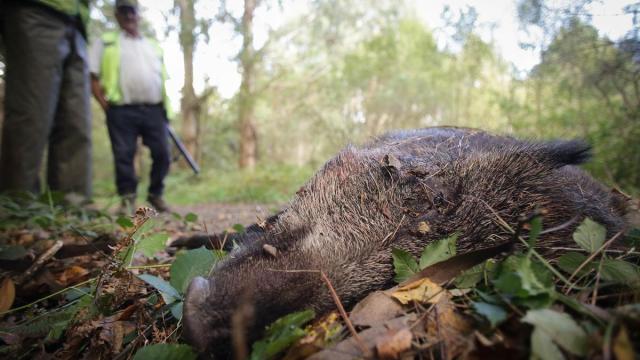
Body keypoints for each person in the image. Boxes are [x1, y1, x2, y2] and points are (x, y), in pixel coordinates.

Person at [0, 0, 92, 200]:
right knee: (31, 113)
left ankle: (72, 204)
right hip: (35, 8)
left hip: (78, 21)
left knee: (77, 123)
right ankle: (18, 204)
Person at [90, 0, 172, 213]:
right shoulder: (106, 42)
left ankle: (156, 194)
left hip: (154, 109)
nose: (129, 16)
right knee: (123, 154)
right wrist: (104, 104)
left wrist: (166, 109)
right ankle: (127, 199)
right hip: (121, 109)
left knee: (163, 152)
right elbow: (93, 76)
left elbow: (162, 79)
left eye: (132, 11)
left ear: (139, 15)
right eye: (124, 12)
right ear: (117, 15)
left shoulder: (152, 45)